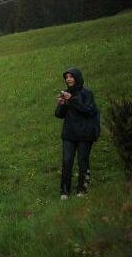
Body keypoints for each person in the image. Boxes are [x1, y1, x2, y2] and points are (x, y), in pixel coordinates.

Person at [55, 68, 99, 200]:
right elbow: (59, 115)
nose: (68, 79)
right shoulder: (66, 93)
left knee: (82, 161)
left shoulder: (87, 93)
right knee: (67, 161)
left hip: (84, 134)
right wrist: (61, 104)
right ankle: (64, 191)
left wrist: (72, 100)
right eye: (67, 77)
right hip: (69, 133)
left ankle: (82, 189)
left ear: (77, 77)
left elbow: (89, 111)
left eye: (71, 76)